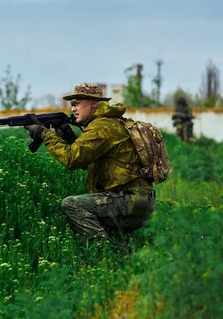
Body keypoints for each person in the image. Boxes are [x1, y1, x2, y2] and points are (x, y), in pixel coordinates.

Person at [24, 83, 157, 248]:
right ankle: (121, 255)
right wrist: (67, 136)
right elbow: (89, 161)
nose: (73, 108)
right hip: (137, 200)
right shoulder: (110, 122)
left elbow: (71, 159)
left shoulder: (101, 126)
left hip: (128, 201)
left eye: (76, 103)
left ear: (93, 103)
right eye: (72, 104)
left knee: (71, 205)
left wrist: (44, 134)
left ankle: (105, 252)